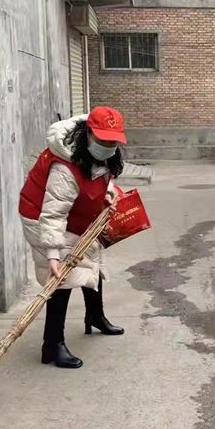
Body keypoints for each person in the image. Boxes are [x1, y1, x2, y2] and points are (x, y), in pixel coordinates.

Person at [18, 106, 128, 369]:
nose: (108, 146)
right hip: (42, 216)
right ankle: (52, 345)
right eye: (102, 140)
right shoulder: (64, 168)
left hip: (75, 213)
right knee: (61, 279)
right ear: (88, 134)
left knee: (91, 257)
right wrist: (53, 254)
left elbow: (103, 178)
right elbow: (53, 213)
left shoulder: (101, 154)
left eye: (112, 142)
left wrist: (108, 193)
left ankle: (95, 317)